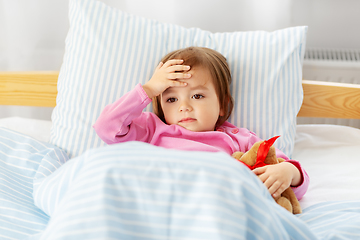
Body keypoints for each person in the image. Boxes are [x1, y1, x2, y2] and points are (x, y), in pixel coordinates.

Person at [93, 47, 309, 200]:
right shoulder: (151, 129)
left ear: (222, 106)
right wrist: (149, 89)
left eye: (197, 96)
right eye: (171, 99)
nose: (184, 106)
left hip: (214, 202)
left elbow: (294, 181)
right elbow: (106, 127)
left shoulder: (239, 139)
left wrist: (289, 172)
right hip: (161, 200)